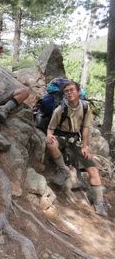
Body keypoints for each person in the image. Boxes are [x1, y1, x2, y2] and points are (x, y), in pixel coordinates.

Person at [46, 81, 107, 216]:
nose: (69, 93)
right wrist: (49, 137)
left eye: (72, 90)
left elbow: (85, 129)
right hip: (61, 138)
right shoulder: (60, 110)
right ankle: (64, 169)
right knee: (50, 144)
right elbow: (50, 129)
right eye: (66, 91)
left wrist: (85, 146)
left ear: (78, 92)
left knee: (92, 168)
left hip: (76, 142)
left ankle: (99, 202)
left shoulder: (85, 108)